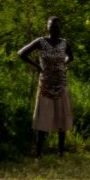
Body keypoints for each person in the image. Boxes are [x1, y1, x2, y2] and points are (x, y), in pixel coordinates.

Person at [18, 16, 73, 157]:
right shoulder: (41, 42)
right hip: (45, 84)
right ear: (47, 27)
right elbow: (21, 53)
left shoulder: (64, 43)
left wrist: (64, 63)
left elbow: (70, 57)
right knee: (43, 118)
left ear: (60, 28)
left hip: (61, 83)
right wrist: (37, 66)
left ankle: (61, 152)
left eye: (56, 26)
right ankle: (38, 153)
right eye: (51, 25)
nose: (54, 28)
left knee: (62, 117)